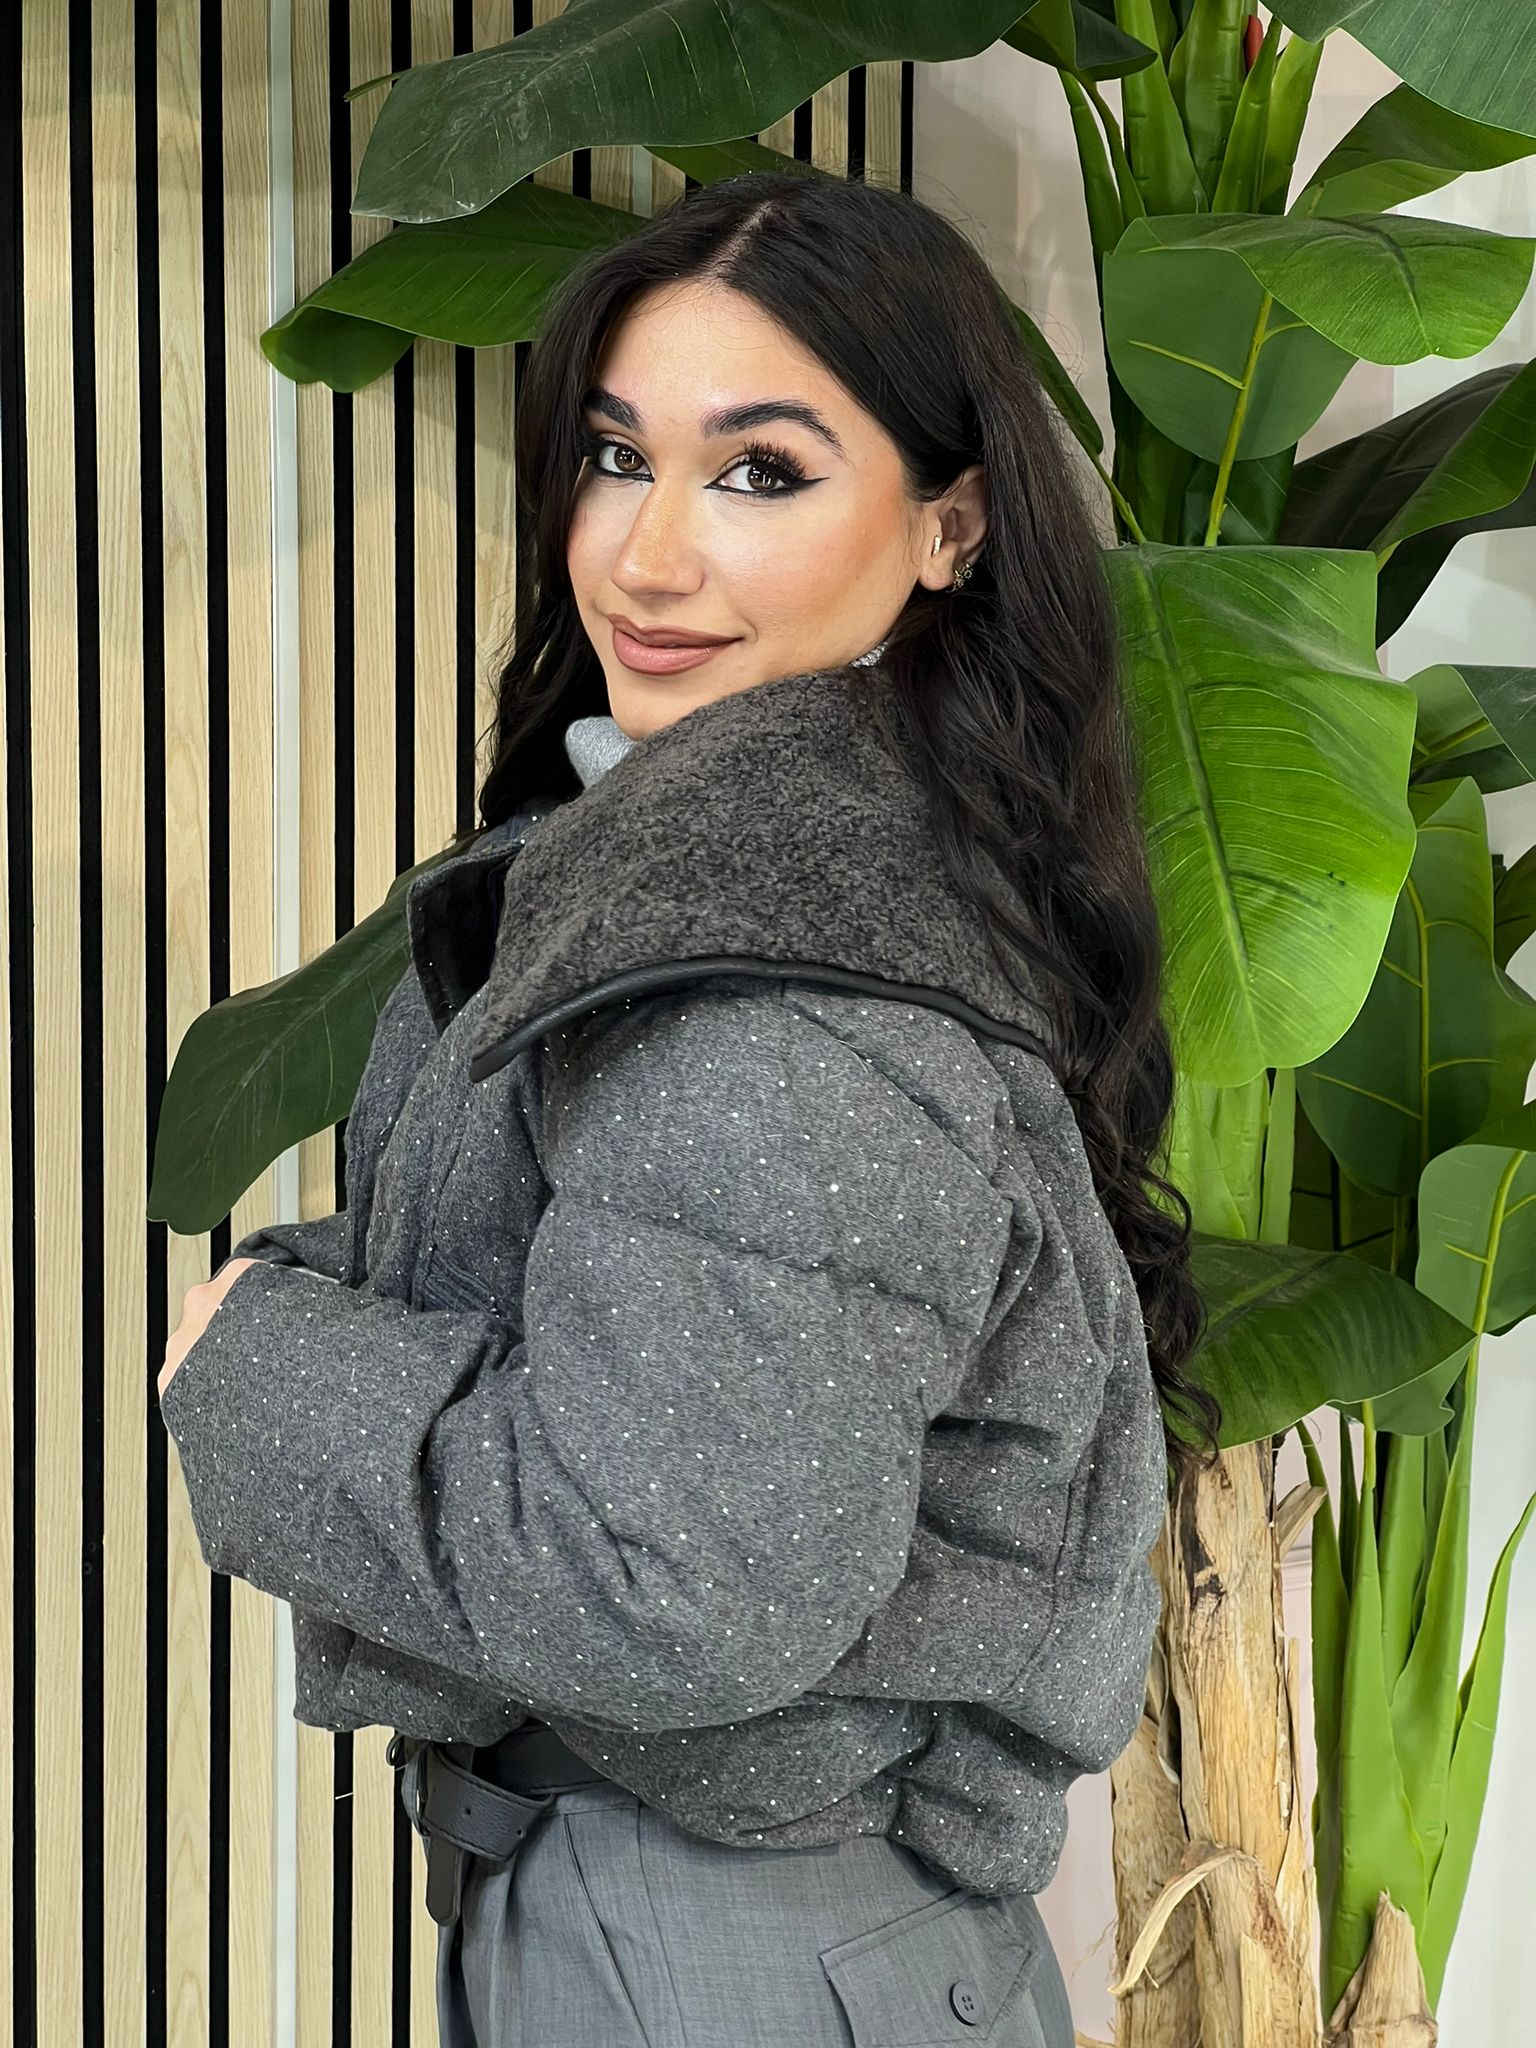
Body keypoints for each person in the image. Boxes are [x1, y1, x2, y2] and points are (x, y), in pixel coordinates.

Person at [158, 169, 1219, 2047]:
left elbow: (675, 1584)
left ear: (952, 525)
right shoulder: (797, 865)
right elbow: (628, 1306)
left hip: (705, 1944)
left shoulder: (774, 973)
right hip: (747, 1924)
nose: (646, 559)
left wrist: (257, 1365)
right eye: (615, 456)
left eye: (760, 473)